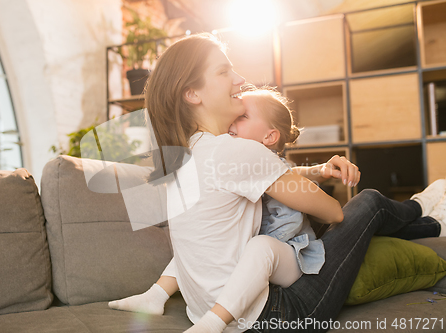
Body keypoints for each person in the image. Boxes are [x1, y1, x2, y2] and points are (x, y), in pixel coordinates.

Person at [108, 33, 446, 333]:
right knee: (368, 203)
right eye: (224, 71)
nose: (240, 80)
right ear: (192, 93)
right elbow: (333, 212)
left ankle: (428, 218)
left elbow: (266, 176)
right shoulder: (237, 152)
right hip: (278, 316)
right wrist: (314, 182)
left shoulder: (184, 157)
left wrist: (315, 171)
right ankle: (424, 210)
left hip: (203, 311)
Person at [109, 85, 329, 316]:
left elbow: (289, 177)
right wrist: (318, 170)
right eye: (234, 117)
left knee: (257, 248)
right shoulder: (238, 157)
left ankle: (176, 303)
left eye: (242, 117)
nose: (232, 123)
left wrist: (319, 172)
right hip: (256, 248)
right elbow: (291, 173)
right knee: (194, 247)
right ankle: (156, 294)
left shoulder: (259, 159)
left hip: (287, 248)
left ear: (269, 136)